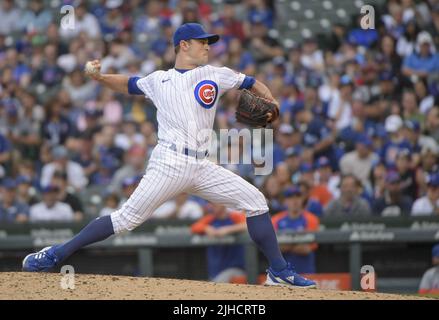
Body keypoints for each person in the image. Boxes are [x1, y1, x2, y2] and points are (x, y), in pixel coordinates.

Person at [22, 23, 316, 288]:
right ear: (184, 45)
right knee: (125, 220)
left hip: (202, 164)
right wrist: (100, 78)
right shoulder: (159, 80)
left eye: (208, 42)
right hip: (170, 162)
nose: (208, 46)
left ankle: (278, 270)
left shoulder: (215, 74)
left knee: (255, 202)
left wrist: (272, 99)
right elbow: (128, 83)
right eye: (202, 41)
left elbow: (251, 83)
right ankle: (55, 254)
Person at [191, 203, 247, 283]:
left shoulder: (234, 216)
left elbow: (246, 225)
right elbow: (194, 227)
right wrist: (206, 228)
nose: (212, 206)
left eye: (215, 204)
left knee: (215, 285)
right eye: (211, 204)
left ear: (223, 204)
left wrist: (227, 230)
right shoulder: (210, 219)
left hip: (236, 268)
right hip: (215, 270)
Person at [271, 186, 319, 274]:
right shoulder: (276, 219)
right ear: (285, 201)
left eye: (298, 196)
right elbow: (274, 250)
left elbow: (307, 249)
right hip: (283, 273)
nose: (294, 200)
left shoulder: (311, 219)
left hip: (305, 271)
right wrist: (298, 242)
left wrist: (286, 244)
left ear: (302, 199)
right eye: (290, 197)